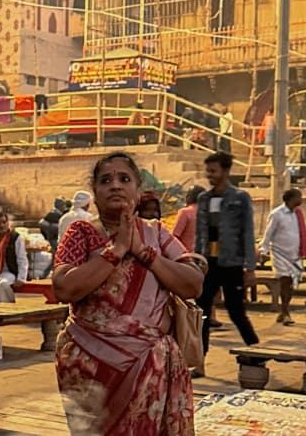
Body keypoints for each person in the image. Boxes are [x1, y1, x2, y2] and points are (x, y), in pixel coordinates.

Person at [52, 152, 206, 436]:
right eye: (105, 180)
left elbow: (193, 284)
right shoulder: (81, 232)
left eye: (124, 179)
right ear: (95, 193)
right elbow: (63, 288)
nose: (115, 185)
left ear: (137, 189)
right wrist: (116, 251)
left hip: (152, 364)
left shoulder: (156, 233)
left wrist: (146, 254)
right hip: (91, 366)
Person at [195, 151, 259, 353]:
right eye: (208, 171)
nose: (210, 175)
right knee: (201, 312)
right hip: (208, 264)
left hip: (231, 263)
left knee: (236, 312)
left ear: (226, 171)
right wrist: (197, 261)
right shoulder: (204, 199)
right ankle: (200, 359)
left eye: (213, 171)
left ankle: (257, 351)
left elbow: (248, 233)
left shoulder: (240, 198)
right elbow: (199, 234)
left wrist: (250, 267)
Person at [258, 188, 306, 326]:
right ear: (290, 199)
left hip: (295, 254)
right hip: (280, 254)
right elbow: (268, 234)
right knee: (285, 281)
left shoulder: (298, 214)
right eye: (299, 197)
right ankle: (286, 312)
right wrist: (263, 252)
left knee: (292, 283)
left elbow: (302, 233)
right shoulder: (277, 214)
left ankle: (283, 310)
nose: (301, 199)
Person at [172, 186, 203, 252]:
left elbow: (175, 236)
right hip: (204, 254)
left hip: (188, 255)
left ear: (189, 197)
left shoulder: (185, 212)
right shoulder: (207, 212)